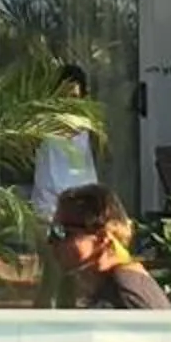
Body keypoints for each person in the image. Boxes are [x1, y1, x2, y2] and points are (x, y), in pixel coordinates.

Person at [49, 183, 171, 309]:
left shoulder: (124, 288)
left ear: (102, 238)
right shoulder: (111, 284)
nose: (51, 241)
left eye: (62, 232)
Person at [30, 63, 103, 223]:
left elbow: (99, 156)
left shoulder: (89, 127)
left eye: (74, 98)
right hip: (50, 209)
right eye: (63, 97)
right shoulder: (42, 124)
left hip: (85, 209)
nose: (68, 103)